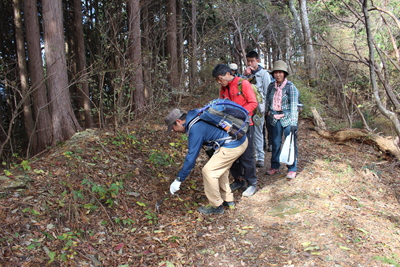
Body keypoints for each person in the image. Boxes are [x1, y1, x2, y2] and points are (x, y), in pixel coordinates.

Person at [165, 108, 248, 215]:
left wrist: (179, 179)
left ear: (179, 122)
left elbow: (191, 159)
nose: (174, 131)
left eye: (173, 128)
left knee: (209, 171)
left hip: (233, 144)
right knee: (219, 169)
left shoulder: (195, 129)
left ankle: (216, 206)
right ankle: (227, 200)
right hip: (239, 138)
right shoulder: (195, 115)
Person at [212, 64, 258, 197]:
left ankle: (252, 183)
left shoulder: (242, 84)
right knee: (232, 154)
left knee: (247, 155)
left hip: (245, 124)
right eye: (217, 80)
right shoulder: (223, 88)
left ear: (227, 74)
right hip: (229, 126)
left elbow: (253, 103)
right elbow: (221, 104)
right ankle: (239, 179)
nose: (220, 82)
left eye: (220, 79)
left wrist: (240, 114)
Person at [265, 60, 299, 180]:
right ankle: (275, 165)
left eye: (280, 72)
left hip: (288, 119)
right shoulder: (271, 86)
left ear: (284, 74)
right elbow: (268, 102)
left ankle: (292, 168)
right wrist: (266, 114)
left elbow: (294, 106)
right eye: (276, 72)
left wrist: (294, 123)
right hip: (274, 119)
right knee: (275, 143)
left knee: (290, 144)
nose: (278, 75)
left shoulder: (291, 87)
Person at [242, 51, 271, 167]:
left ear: (257, 61)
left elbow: (268, 92)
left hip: (259, 108)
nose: (250, 63)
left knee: (259, 132)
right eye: (248, 61)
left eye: (252, 61)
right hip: (247, 108)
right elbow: (240, 87)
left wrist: (267, 109)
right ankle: (249, 157)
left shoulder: (264, 74)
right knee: (247, 133)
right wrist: (245, 75)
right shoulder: (245, 74)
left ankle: (260, 158)